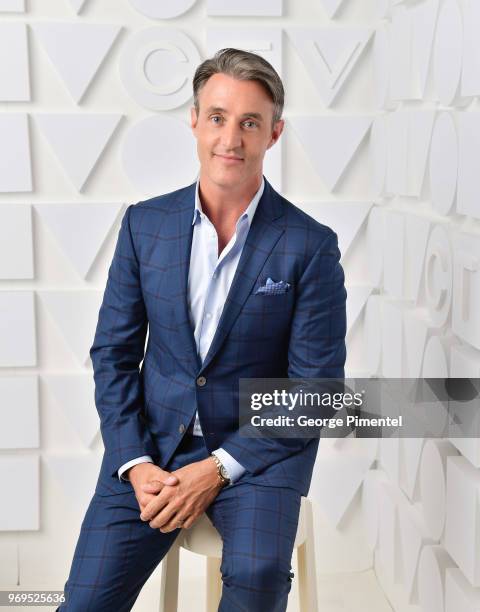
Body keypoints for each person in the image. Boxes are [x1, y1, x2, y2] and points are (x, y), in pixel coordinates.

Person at [58, 47, 347, 611]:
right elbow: (113, 354)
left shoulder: (309, 246)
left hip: (258, 455)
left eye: (250, 123)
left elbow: (318, 390)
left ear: (275, 133)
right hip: (152, 447)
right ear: (194, 120)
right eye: (217, 117)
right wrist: (135, 461)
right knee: (85, 602)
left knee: (260, 573)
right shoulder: (145, 226)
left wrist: (218, 468)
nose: (230, 139)